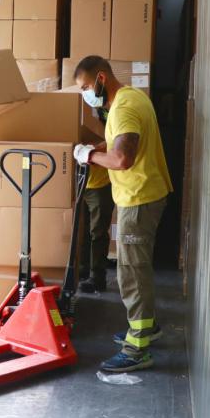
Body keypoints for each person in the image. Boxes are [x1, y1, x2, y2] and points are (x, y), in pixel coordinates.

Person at [73, 56, 173, 372]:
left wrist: (90, 155)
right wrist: (93, 147)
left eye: (86, 87)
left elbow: (122, 158)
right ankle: (149, 326)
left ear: (101, 78)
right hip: (142, 194)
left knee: (130, 271)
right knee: (135, 267)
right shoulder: (130, 97)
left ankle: (138, 347)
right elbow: (116, 140)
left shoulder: (124, 107)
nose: (86, 93)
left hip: (139, 198)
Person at [78, 154, 115, 293]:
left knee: (98, 231)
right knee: (82, 231)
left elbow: (110, 152)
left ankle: (97, 278)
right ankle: (82, 269)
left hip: (100, 185)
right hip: (79, 184)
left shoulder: (104, 132)